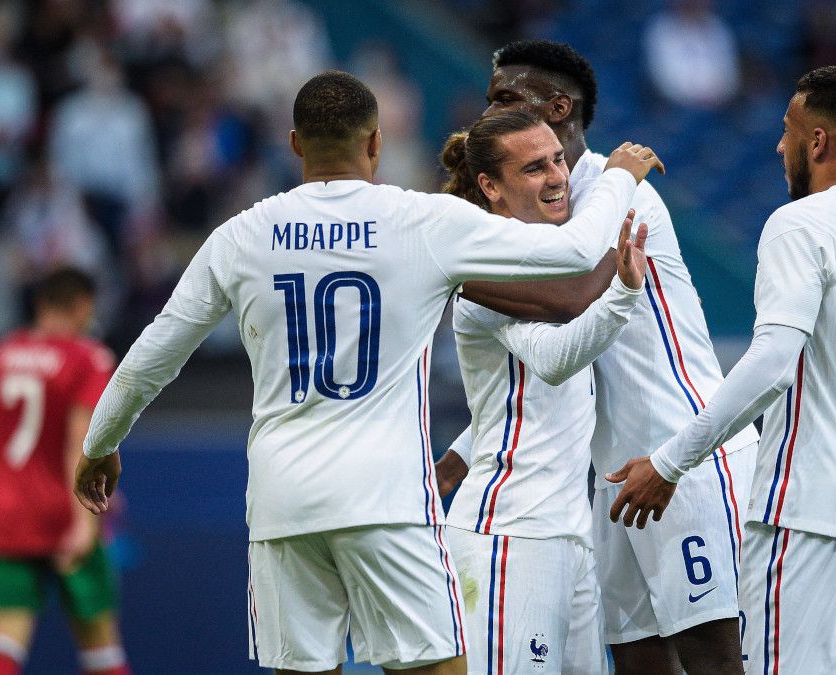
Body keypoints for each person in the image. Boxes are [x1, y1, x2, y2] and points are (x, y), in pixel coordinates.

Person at [71, 71, 663, 675]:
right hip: (391, 499)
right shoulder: (420, 222)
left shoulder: (239, 235)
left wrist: (101, 443)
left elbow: (152, 357)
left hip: (284, 503)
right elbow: (569, 255)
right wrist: (618, 176)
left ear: (296, 143)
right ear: (376, 142)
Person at [606, 65, 836, 674]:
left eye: (787, 129)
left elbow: (772, 362)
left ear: (817, 141)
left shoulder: (799, 224)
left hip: (802, 507)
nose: (778, 145)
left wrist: (669, 463)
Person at [451, 39, 759, 675]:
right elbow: (538, 364)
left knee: (713, 660)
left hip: (684, 458)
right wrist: (459, 454)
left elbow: (566, 300)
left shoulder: (620, 193)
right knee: (639, 660)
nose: (489, 112)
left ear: (558, 107)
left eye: (506, 98)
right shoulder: (544, 211)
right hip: (615, 478)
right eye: (489, 101)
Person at [437, 110, 647, 674]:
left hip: (570, 536)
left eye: (558, 158)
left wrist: (453, 460)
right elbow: (555, 360)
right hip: (509, 537)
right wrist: (623, 288)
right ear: (491, 187)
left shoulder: (539, 262)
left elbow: (514, 400)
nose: (557, 176)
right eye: (534, 168)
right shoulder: (483, 268)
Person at [0, 267, 129, 675]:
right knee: (101, 646)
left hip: (10, 511)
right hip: (67, 511)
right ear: (83, 305)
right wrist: (82, 522)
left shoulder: (1, 356)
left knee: (5, 641)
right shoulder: (89, 357)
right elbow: (80, 442)